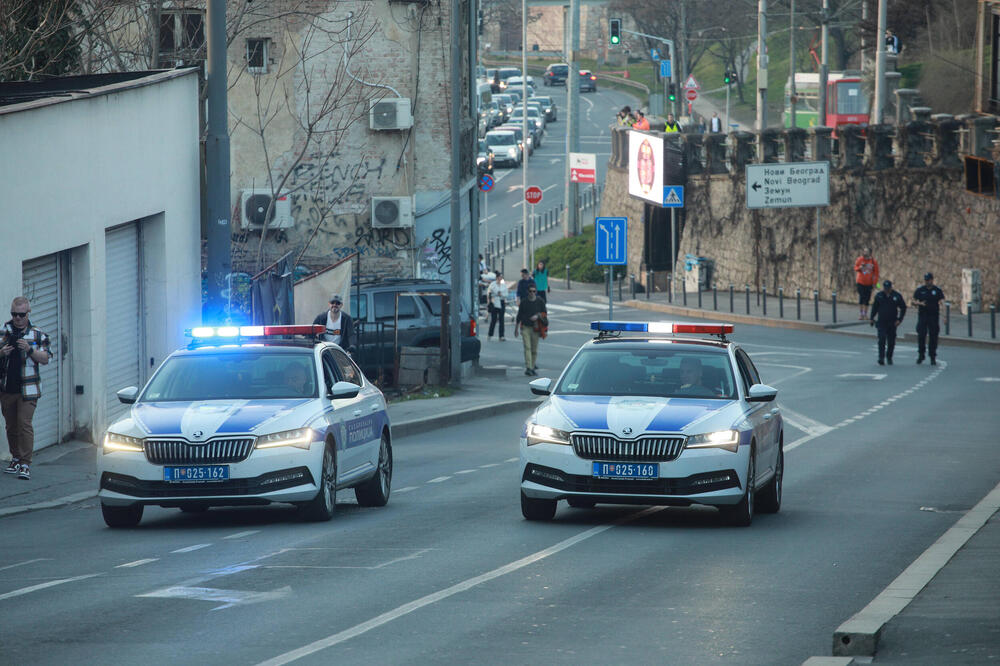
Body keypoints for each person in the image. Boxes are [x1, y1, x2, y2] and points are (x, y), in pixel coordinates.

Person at [1, 297, 52, 481]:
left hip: (29, 389)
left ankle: (25, 463)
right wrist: (2, 353)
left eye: (21, 315)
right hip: (7, 388)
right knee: (11, 426)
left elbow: (46, 358)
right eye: (14, 314)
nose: (17, 319)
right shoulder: (4, 331)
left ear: (28, 313)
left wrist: (30, 350)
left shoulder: (37, 335)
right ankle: (15, 458)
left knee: (24, 425)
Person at [869, 280, 907, 366]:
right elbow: (874, 308)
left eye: (888, 288)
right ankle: (881, 358)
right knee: (881, 339)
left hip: (892, 322)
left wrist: (899, 320)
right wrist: (871, 318)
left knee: (891, 341)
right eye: (885, 288)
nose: (886, 290)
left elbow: (903, 308)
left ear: (891, 288)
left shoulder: (896, 296)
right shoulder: (879, 296)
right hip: (882, 322)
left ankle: (889, 357)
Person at [913, 272, 945, 365]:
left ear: (932, 280)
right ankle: (921, 354)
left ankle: (932, 356)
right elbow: (913, 301)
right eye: (926, 280)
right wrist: (919, 304)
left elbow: (942, 302)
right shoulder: (920, 290)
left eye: (929, 280)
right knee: (921, 335)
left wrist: (944, 316)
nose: (927, 282)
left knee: (933, 336)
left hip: (933, 316)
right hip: (923, 316)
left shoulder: (937, 290)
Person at [514, 285, 546, 376]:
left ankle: (532, 367)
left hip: (536, 328)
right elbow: (519, 315)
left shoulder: (540, 301)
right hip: (525, 327)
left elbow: (544, 313)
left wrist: (538, 315)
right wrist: (516, 329)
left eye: (534, 291)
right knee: (527, 347)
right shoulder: (524, 301)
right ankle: (528, 367)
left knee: (534, 349)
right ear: (528, 292)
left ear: (536, 292)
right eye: (530, 291)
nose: (532, 293)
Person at [854, 248, 880, 320]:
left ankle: (865, 314)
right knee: (861, 298)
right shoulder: (860, 259)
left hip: (869, 283)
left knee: (867, 299)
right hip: (860, 282)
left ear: (870, 253)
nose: (865, 253)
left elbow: (876, 273)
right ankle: (861, 314)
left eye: (866, 252)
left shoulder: (873, 262)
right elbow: (855, 268)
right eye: (864, 251)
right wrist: (860, 267)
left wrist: (875, 283)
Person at [485, 271, 508, 340]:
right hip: (494, 301)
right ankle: (490, 334)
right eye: (500, 277)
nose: (501, 278)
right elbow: (489, 292)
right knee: (494, 319)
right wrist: (490, 300)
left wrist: (502, 294)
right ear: (497, 277)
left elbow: (506, 294)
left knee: (501, 319)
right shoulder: (492, 284)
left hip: (501, 301)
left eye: (501, 277)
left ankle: (501, 335)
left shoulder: (503, 285)